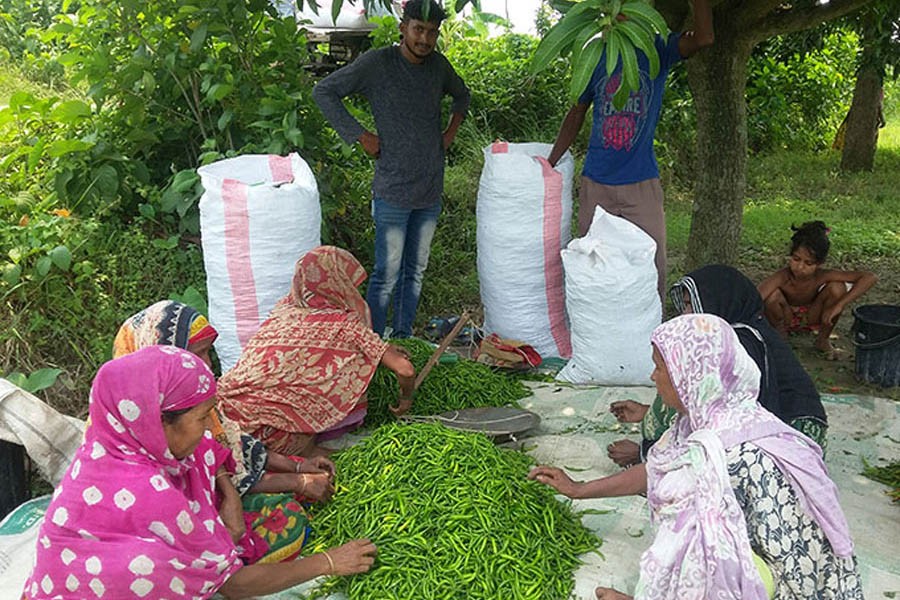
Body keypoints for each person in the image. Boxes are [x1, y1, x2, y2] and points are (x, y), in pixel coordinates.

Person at [530, 314, 863, 599]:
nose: (652, 377)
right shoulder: (702, 421)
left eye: (660, 368)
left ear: (691, 376)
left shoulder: (739, 451)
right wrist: (578, 489)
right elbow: (656, 470)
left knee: (701, 538)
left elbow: (794, 567)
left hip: (789, 586)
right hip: (757, 565)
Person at [23, 347, 376, 600]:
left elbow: (212, 453)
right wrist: (329, 562)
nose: (209, 427)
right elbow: (234, 585)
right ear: (157, 421)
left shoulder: (109, 447)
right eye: (201, 417)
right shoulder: (152, 494)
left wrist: (234, 493)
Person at [313, 0, 470, 338]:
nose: (424, 39)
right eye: (418, 30)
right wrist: (360, 135)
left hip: (429, 189)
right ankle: (374, 343)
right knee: (387, 273)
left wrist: (450, 133)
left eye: (431, 33)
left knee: (415, 271)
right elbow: (324, 91)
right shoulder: (377, 64)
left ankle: (403, 339)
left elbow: (462, 96)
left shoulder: (438, 67)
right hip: (393, 190)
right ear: (403, 27)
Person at [546, 1, 713, 301]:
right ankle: (597, 332)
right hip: (597, 185)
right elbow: (576, 113)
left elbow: (703, 38)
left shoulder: (656, 50)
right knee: (593, 267)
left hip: (641, 185)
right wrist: (551, 161)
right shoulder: (595, 55)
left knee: (652, 268)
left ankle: (651, 340)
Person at [113, 300, 336, 504]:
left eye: (207, 352)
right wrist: (298, 482)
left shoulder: (190, 396)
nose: (207, 364)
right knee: (285, 516)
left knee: (306, 475)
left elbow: (234, 444)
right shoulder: (154, 423)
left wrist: (297, 467)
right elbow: (211, 485)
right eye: (197, 354)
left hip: (225, 489)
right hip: (193, 512)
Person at [607, 265, 829, 468]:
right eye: (684, 305)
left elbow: (726, 417)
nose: (686, 314)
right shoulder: (735, 333)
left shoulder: (741, 344)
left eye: (689, 305)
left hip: (794, 438)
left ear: (719, 303)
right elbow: (709, 405)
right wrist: (647, 413)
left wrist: (645, 455)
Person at [217, 246, 416, 457]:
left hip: (223, 417)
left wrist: (382, 348)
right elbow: (405, 370)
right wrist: (406, 400)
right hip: (271, 433)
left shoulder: (282, 313)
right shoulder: (344, 324)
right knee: (335, 456)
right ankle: (311, 452)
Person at [758, 221, 877, 359]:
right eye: (796, 259)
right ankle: (780, 337)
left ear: (819, 263)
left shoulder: (823, 275)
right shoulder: (783, 276)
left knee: (837, 288)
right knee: (772, 296)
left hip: (813, 316)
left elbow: (870, 277)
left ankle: (822, 340)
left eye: (808, 263)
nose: (800, 267)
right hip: (786, 316)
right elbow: (756, 297)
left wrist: (839, 306)